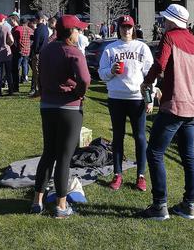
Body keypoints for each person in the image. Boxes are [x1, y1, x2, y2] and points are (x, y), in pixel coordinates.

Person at [139, 4, 194, 221]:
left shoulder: (169, 37)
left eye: (165, 19)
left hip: (174, 104)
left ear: (172, 21)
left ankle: (159, 205)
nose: (163, 23)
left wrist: (148, 82)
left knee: (155, 152)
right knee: (189, 155)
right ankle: (189, 205)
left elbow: (160, 64)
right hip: (192, 105)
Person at [32, 15, 91, 218]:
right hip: (69, 108)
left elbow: (38, 68)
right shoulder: (73, 52)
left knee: (48, 153)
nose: (80, 33)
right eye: (78, 30)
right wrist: (78, 93)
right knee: (64, 158)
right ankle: (61, 206)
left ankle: (37, 201)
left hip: (47, 106)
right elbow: (84, 78)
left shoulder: (47, 49)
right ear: (70, 32)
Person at [99, 15, 154, 192]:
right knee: (118, 136)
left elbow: (150, 76)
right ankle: (117, 174)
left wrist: (149, 98)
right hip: (116, 98)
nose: (127, 30)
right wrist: (111, 72)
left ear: (134, 28)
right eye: (123, 27)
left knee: (140, 137)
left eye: (129, 27)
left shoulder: (142, 48)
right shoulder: (110, 49)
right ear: (118, 28)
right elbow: (101, 73)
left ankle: (141, 175)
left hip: (137, 98)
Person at [0, 14, 15, 97]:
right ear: (2, 20)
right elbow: (11, 40)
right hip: (6, 52)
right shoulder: (6, 28)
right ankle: (10, 90)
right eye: (4, 19)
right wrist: (9, 45)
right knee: (8, 72)